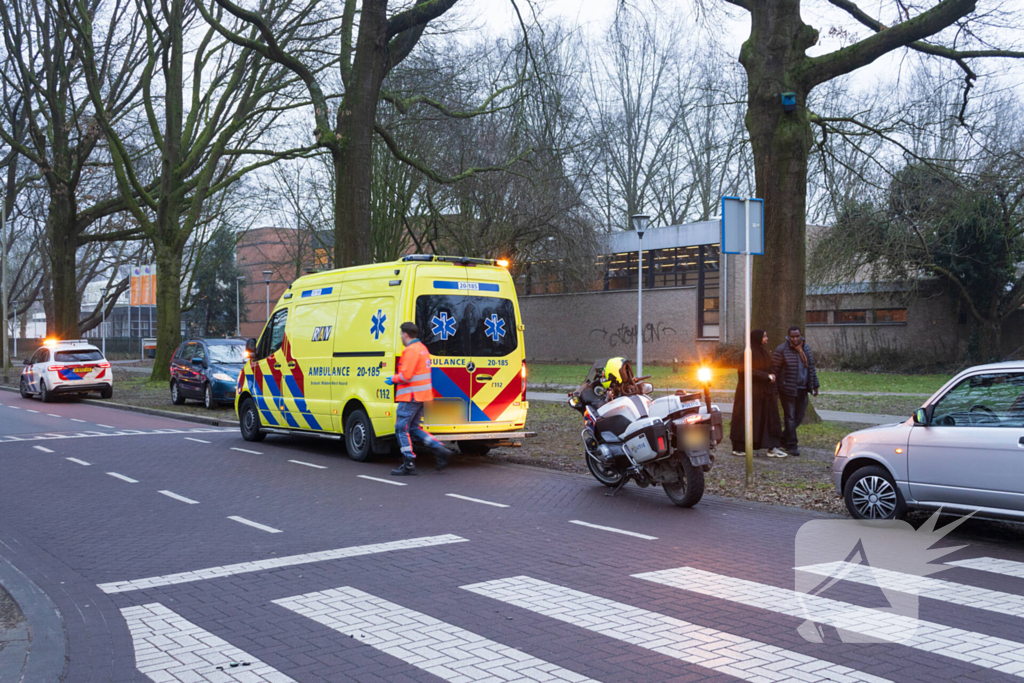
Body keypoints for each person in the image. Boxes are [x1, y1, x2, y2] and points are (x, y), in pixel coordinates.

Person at [386, 322, 451, 475]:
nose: (401, 336)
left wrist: (393, 378)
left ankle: (408, 463)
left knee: (401, 428)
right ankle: (439, 448)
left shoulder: (410, 350)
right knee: (414, 428)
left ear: (405, 334)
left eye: (401, 334)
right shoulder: (422, 348)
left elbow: (406, 376)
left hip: (410, 396)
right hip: (422, 396)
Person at [730, 329, 784, 457]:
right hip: (749, 393)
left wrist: (772, 375)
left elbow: (770, 366)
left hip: (764, 393)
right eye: (764, 336)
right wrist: (767, 376)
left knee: (768, 418)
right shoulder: (748, 353)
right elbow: (746, 370)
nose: (767, 339)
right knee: (746, 417)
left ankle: (772, 446)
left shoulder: (763, 352)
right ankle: (740, 447)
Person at [773, 326, 820, 456]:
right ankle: (792, 445)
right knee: (790, 417)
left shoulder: (806, 349)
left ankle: (783, 439)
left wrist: (815, 385)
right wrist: (775, 389)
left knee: (799, 416)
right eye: (792, 336)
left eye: (797, 336)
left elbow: (811, 369)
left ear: (801, 336)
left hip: (803, 388)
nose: (795, 339)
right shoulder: (782, 350)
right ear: (788, 337)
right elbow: (775, 370)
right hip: (787, 389)